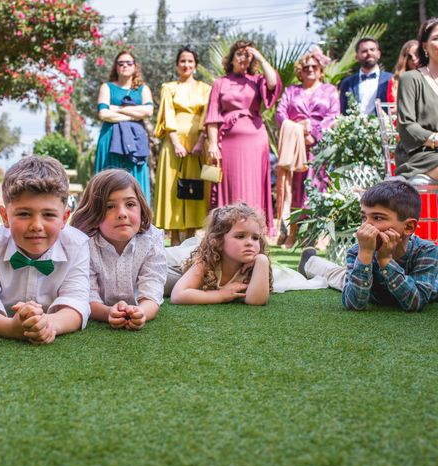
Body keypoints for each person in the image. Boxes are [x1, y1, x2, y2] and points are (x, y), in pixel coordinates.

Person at [0, 155, 90, 345]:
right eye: (24, 214)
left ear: (64, 217)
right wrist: (11, 328)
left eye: (49, 215)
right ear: (5, 216)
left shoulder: (77, 246)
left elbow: (76, 303)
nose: (36, 225)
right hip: (7, 321)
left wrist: (48, 324)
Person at [298, 181, 438, 312]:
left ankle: (312, 262)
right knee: (338, 277)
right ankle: (309, 262)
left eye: (377, 218)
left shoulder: (426, 251)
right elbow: (354, 304)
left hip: (378, 284)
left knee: (338, 274)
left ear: (408, 227)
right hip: (366, 284)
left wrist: (385, 261)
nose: (365, 226)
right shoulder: (358, 250)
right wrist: (365, 254)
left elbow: (416, 302)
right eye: (364, 217)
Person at [70, 169, 166, 330]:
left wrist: (142, 312)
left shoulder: (152, 238)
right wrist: (108, 313)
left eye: (130, 204)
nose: (122, 213)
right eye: (109, 206)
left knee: (177, 272)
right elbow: (85, 296)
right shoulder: (84, 244)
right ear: (93, 212)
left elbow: (153, 288)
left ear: (141, 208)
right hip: (105, 303)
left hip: (167, 270)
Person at [204, 40, 281, 233]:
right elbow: (212, 115)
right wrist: (213, 144)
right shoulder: (220, 83)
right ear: (231, 58)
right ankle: (228, 228)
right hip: (228, 141)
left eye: (247, 55)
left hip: (255, 140)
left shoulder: (256, 80)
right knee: (230, 183)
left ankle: (255, 228)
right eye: (239, 54)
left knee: (254, 184)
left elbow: (273, 82)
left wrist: (259, 56)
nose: (243, 58)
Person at [275, 48, 340, 247]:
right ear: (300, 72)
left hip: (320, 147)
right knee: (296, 189)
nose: (310, 69)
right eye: (306, 67)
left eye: (314, 66)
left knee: (318, 188)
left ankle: (319, 236)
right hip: (295, 147)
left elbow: (333, 115)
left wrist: (314, 133)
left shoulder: (330, 90)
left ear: (321, 70)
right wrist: (298, 132)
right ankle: (292, 234)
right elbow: (280, 113)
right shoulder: (291, 91)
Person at [153, 46, 211, 246]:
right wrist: (176, 142)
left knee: (197, 187)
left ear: (196, 65)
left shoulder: (205, 89)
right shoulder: (168, 87)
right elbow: (167, 114)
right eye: (182, 61)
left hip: (198, 143)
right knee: (172, 187)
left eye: (190, 61)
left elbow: (207, 116)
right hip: (174, 142)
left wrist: (201, 141)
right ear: (177, 65)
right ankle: (175, 238)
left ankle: (193, 236)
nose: (186, 65)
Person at [170, 203, 272, 306]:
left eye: (255, 238)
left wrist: (262, 260)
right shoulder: (206, 263)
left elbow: (256, 301)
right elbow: (177, 295)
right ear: (218, 242)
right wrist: (220, 295)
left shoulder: (255, 264)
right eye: (240, 236)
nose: (250, 243)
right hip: (177, 263)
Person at [95, 51, 154, 202]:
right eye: (121, 63)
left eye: (129, 63)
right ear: (116, 67)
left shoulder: (142, 89)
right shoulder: (106, 87)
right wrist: (134, 115)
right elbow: (103, 113)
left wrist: (118, 109)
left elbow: (148, 111)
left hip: (136, 141)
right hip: (110, 139)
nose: (125, 66)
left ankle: (139, 219)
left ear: (135, 66)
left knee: (136, 180)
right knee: (108, 180)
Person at [395, 18, 438, 184]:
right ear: (424, 46)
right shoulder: (410, 79)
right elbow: (406, 125)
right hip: (420, 155)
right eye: (436, 38)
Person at [339, 37, 393, 116]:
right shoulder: (347, 83)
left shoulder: (391, 79)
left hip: (384, 127)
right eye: (364, 51)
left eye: (372, 50)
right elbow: (343, 112)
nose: (369, 53)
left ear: (378, 54)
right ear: (356, 57)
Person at [387, 40, 420, 104]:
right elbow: (391, 106)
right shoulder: (395, 81)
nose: (413, 58)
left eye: (417, 54)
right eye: (409, 56)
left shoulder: (432, 76)